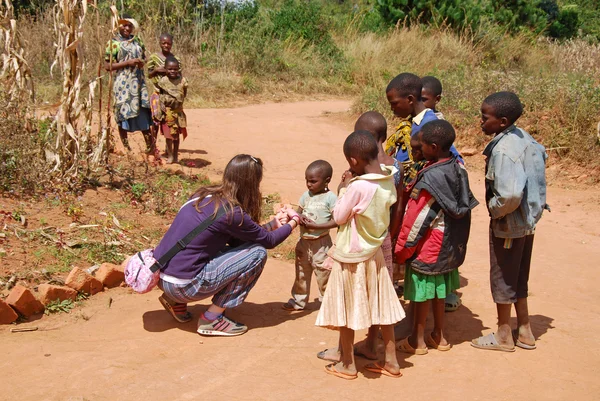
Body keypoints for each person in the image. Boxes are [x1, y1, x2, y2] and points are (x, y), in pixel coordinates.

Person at [153, 154, 301, 337]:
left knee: (229, 249)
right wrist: (294, 221)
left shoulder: (204, 195)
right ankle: (211, 319)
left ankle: (174, 301)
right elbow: (268, 242)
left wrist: (272, 225)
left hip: (162, 277)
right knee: (257, 253)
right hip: (183, 287)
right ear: (251, 183)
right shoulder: (232, 212)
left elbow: (244, 238)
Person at [315, 131, 405, 380]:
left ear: (353, 161)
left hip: (352, 256)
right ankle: (391, 361)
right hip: (374, 252)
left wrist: (344, 188)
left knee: (346, 309)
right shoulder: (388, 179)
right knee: (382, 305)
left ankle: (347, 363)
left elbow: (339, 217)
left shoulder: (357, 187)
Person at [471, 92, 547, 352]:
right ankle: (524, 329)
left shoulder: (503, 150)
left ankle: (504, 334)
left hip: (509, 224)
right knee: (518, 276)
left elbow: (510, 194)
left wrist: (495, 210)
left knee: (503, 276)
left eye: (484, 118)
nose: (480, 122)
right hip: (527, 221)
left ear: (502, 121)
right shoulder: (522, 137)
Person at [395, 120, 478, 354]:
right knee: (440, 292)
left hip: (429, 246)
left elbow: (417, 219)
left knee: (421, 294)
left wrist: (403, 249)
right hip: (450, 244)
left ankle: (417, 340)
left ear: (433, 147)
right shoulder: (458, 168)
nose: (417, 150)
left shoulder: (429, 179)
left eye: (420, 146)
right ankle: (438, 336)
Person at [282, 160, 336, 311]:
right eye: (307, 180)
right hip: (304, 242)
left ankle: (328, 304)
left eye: (313, 181)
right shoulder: (306, 196)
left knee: (324, 274)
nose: (309, 184)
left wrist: (316, 226)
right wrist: (294, 216)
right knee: (301, 272)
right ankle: (298, 301)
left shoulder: (331, 198)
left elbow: (336, 221)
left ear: (327, 180)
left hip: (322, 244)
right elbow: (298, 213)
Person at [104, 16, 155, 156]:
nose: (126, 28)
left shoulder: (137, 40)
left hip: (138, 84)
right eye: (124, 25)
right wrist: (127, 63)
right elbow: (107, 66)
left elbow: (144, 57)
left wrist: (141, 62)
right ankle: (127, 149)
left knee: (144, 112)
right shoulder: (113, 43)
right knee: (123, 116)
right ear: (119, 25)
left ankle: (150, 147)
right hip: (123, 85)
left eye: (129, 26)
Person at [385, 72, 462, 164]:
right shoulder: (411, 123)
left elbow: (456, 161)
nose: (392, 108)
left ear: (410, 99)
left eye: (394, 103)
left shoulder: (430, 125)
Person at [153, 57, 188, 164]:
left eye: (175, 69)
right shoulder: (163, 81)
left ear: (178, 69)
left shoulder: (182, 81)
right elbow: (159, 94)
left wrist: (178, 103)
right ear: (165, 69)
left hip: (177, 113)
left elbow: (184, 93)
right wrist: (162, 105)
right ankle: (170, 155)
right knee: (168, 137)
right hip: (167, 113)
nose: (172, 71)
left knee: (176, 136)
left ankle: (176, 155)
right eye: (170, 69)